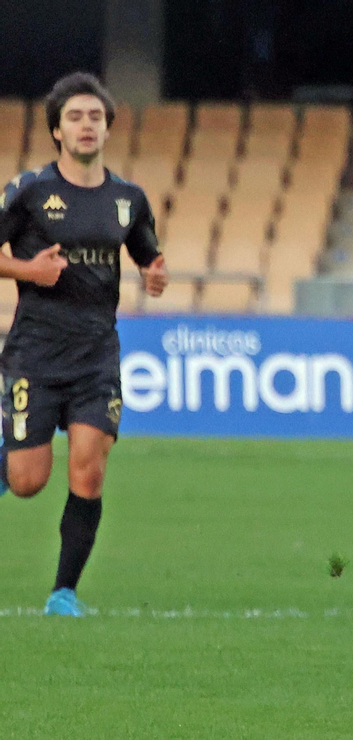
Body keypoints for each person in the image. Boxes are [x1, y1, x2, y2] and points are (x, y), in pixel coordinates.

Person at [0, 72, 167, 616]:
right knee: (27, 481)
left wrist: (155, 273)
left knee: (89, 468)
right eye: (74, 116)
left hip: (97, 354)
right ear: (56, 130)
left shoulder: (129, 200)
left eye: (95, 116)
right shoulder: (29, 191)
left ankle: (63, 594)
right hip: (35, 352)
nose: (86, 124)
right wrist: (28, 269)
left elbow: (147, 256)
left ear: (107, 127)